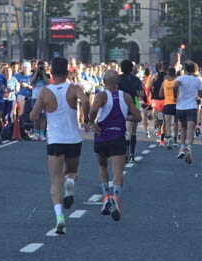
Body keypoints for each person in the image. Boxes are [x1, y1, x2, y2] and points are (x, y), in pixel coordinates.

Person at [30, 57, 90, 235]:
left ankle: (59, 217)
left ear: (51, 73)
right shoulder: (74, 88)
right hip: (73, 140)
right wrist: (86, 119)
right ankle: (70, 183)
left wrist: (44, 110)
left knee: (55, 181)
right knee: (71, 173)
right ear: (68, 71)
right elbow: (86, 101)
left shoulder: (45, 92)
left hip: (55, 141)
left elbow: (33, 116)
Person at [89, 69, 140, 221]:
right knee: (118, 171)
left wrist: (91, 122)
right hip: (118, 136)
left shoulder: (101, 95)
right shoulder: (126, 96)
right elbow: (137, 116)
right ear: (118, 82)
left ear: (104, 82)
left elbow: (92, 111)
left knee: (102, 166)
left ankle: (105, 196)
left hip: (101, 137)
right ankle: (116, 198)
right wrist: (126, 116)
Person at [174, 60, 202, 164]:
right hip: (192, 107)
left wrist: (175, 95)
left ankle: (182, 148)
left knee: (183, 127)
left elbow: (175, 86)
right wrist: (198, 93)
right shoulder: (197, 80)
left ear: (185, 69)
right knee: (191, 128)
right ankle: (189, 148)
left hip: (180, 107)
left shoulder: (180, 78)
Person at [117, 59, 143, 163]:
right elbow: (141, 94)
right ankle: (132, 153)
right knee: (133, 132)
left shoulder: (118, 79)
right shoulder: (136, 80)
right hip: (133, 105)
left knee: (123, 130)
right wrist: (133, 92)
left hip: (120, 105)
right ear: (131, 68)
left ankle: (125, 150)